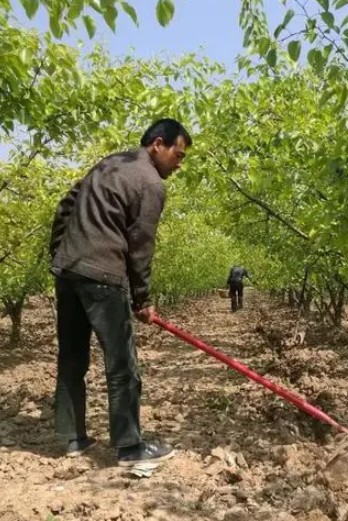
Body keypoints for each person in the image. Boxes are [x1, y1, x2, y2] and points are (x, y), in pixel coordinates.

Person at [49, 118, 192, 466]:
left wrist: (60, 253)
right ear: (157, 144)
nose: (179, 163)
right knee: (121, 365)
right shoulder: (150, 183)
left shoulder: (109, 163)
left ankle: (71, 439)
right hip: (102, 276)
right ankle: (130, 448)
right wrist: (142, 300)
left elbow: (66, 205)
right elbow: (141, 244)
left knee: (71, 359)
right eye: (178, 154)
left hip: (68, 272)